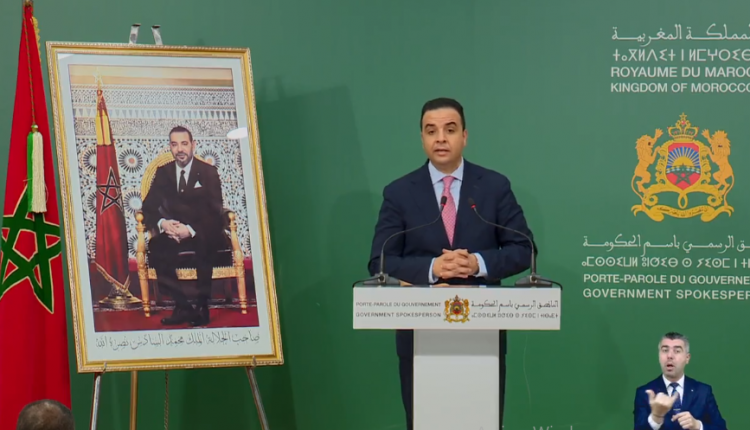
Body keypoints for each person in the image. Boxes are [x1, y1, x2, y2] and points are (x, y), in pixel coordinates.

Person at [367, 97, 535, 429]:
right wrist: (432, 269)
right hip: (419, 334)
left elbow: (524, 249)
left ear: (464, 136)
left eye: (450, 129)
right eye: (431, 131)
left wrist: (476, 263)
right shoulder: (399, 192)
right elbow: (380, 261)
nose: (440, 138)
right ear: (422, 138)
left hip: (482, 333)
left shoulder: (494, 187)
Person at [141, 125, 226, 327]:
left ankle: (202, 306)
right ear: (170, 147)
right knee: (156, 246)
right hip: (174, 232)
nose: (180, 149)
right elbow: (148, 207)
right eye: (174, 144)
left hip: (203, 230)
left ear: (193, 145)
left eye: (184, 143)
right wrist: (163, 223)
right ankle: (183, 306)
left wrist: (190, 230)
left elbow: (215, 211)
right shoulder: (163, 173)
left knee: (204, 243)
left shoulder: (208, 172)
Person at [633, 332, 727, 430]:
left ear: (687, 358)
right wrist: (656, 417)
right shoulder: (645, 393)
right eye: (665, 350)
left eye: (677, 351)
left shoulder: (703, 391)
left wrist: (698, 426)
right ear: (659, 356)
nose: (670, 356)